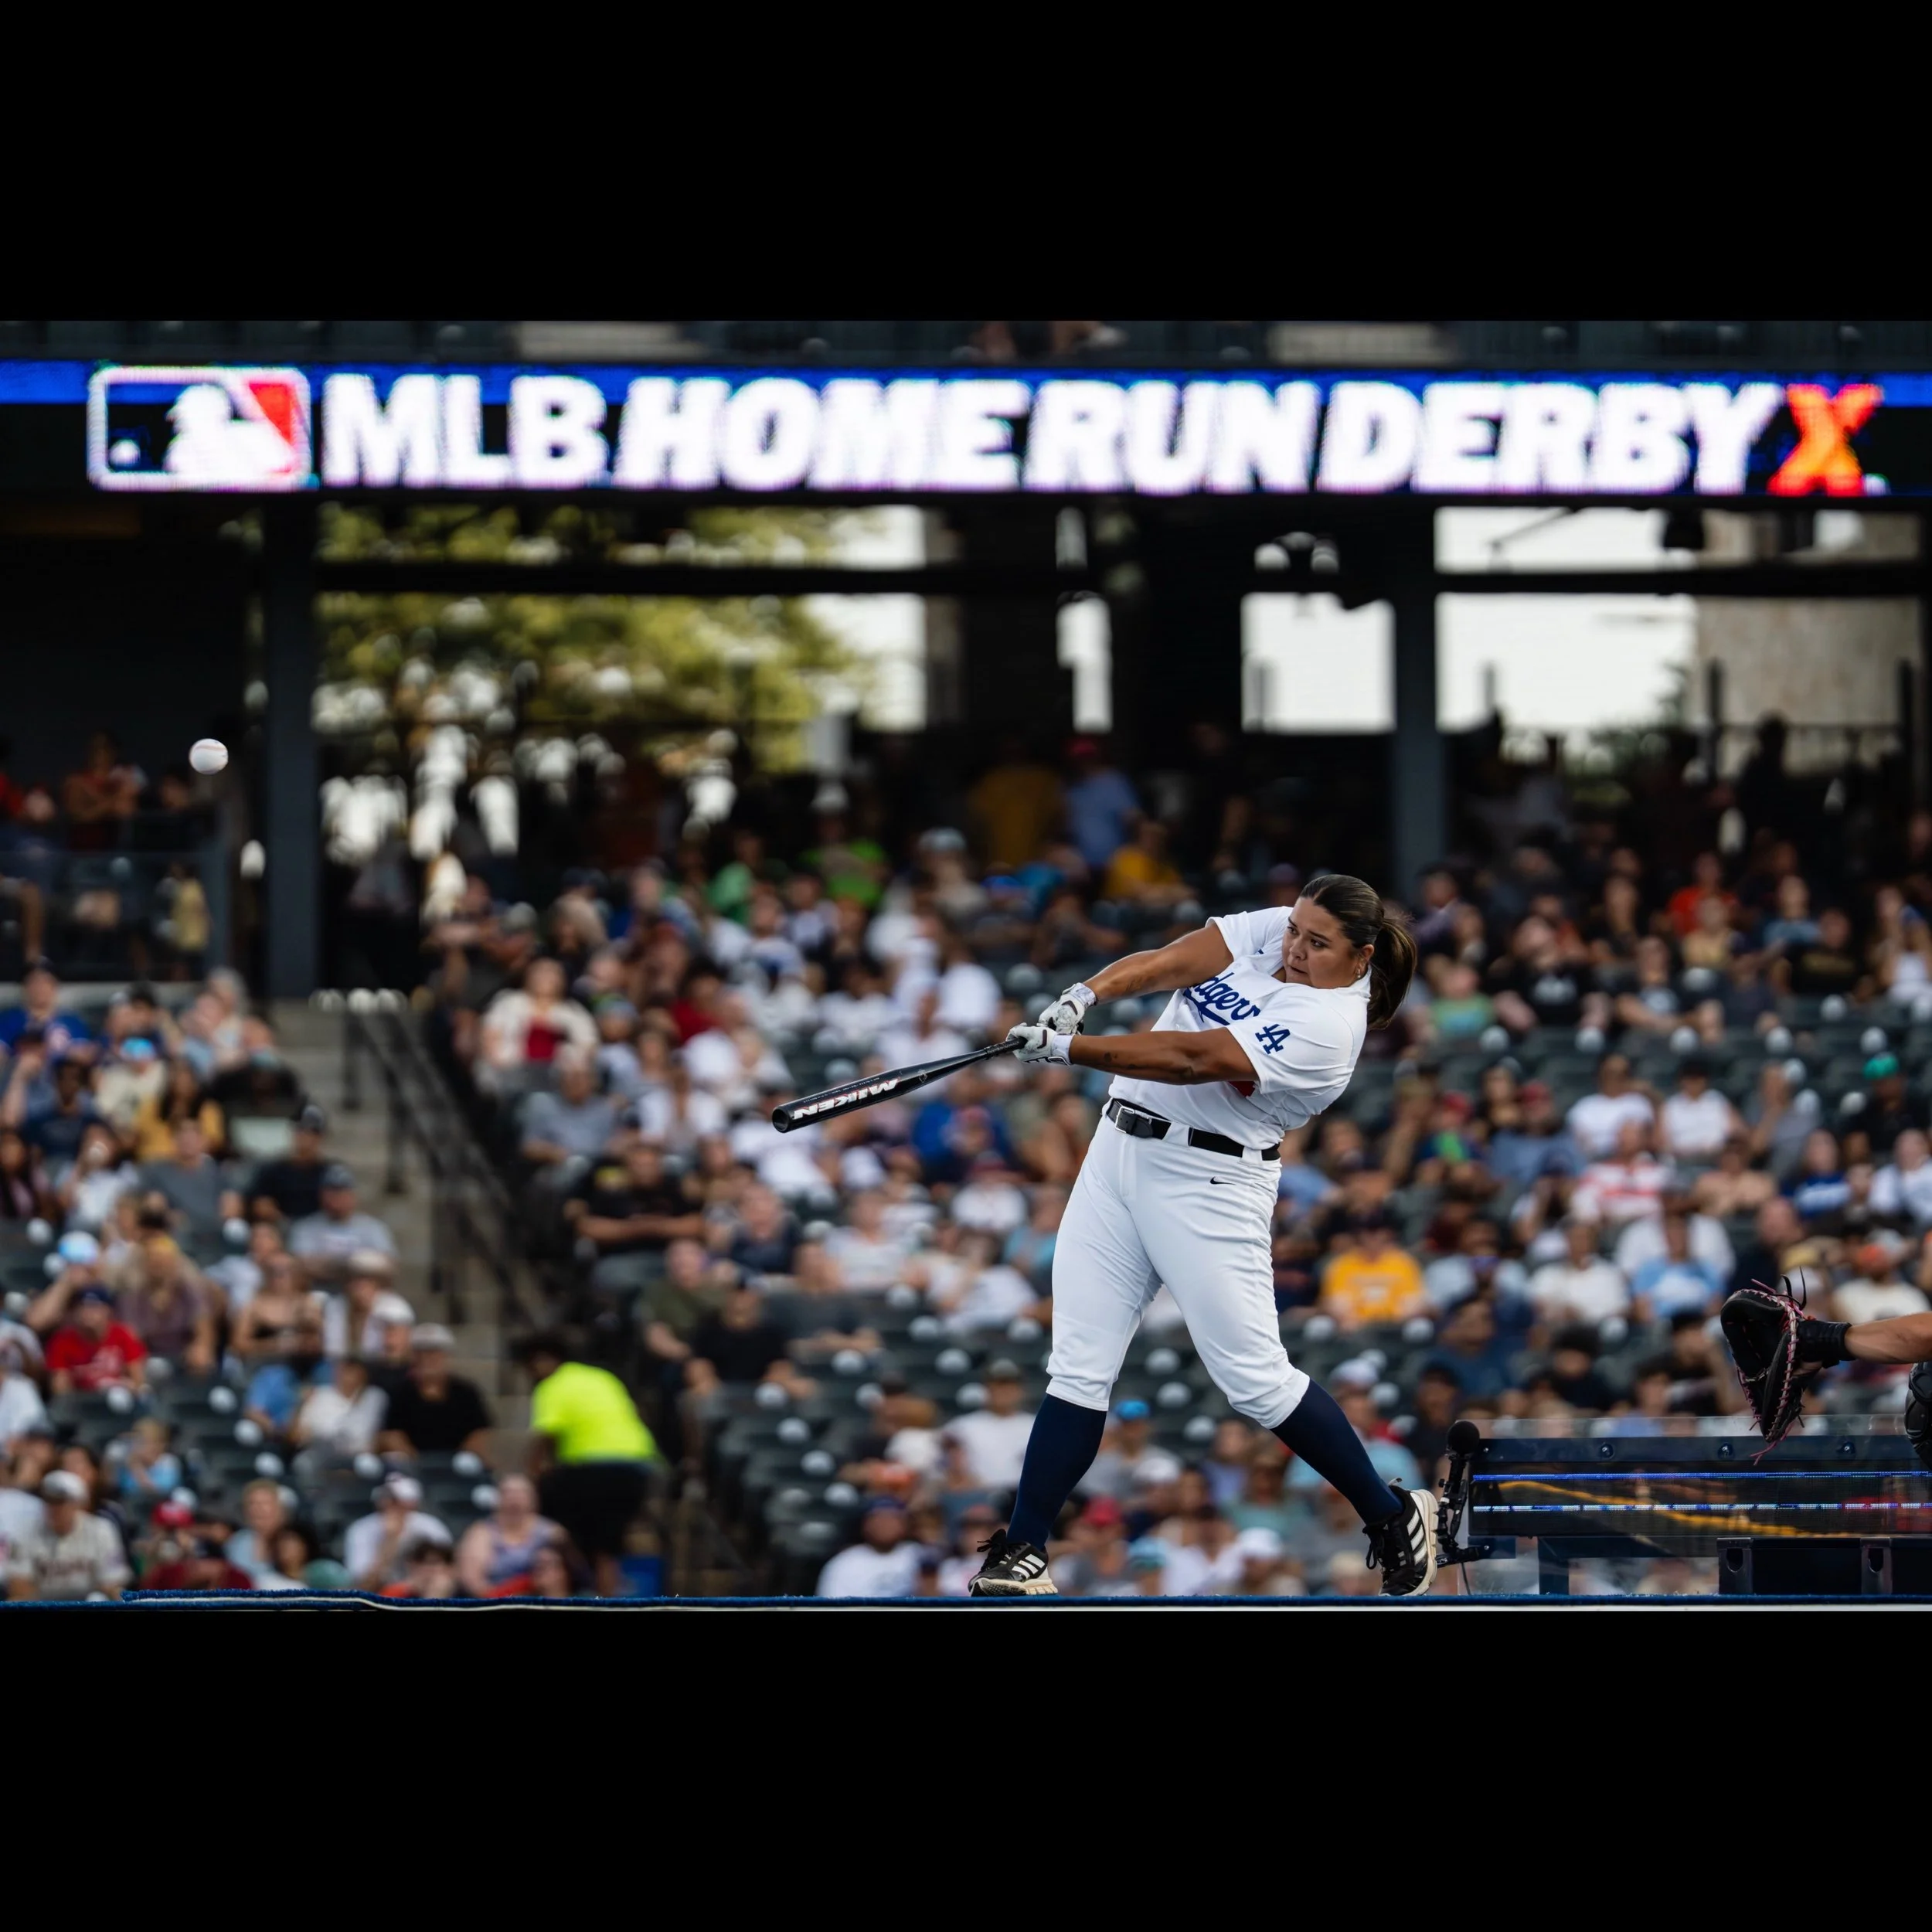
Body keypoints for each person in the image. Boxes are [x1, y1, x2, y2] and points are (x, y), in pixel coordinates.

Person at [969, 876, 1439, 1598]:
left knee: (1254, 1381)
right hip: (1117, 1152)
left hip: (1208, 1183)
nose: (1296, 947)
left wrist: (1071, 1051)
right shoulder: (1290, 924)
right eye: (1295, 932)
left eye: (1318, 944)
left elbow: (1195, 1059)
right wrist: (1086, 994)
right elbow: (1181, 957)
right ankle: (1025, 1549)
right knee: (1079, 1364)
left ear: (1361, 956)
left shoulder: (1330, 1024)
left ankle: (1388, 1514)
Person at [516, 1331, 657, 1598]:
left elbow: (546, 1437)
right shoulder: (602, 1377)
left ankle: (571, 1581)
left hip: (594, 1468)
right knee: (606, 1544)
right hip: (637, 1466)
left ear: (542, 1361)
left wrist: (529, 1476)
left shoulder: (553, 1385)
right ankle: (607, 1592)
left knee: (557, 1526)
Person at [5, 1469, 131, 1600]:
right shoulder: (26, 1531)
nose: (54, 1508)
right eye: (49, 1500)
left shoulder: (101, 1529)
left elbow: (113, 1583)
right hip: (43, 1607)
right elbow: (18, 1586)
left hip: (89, 1606)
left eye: (61, 1502)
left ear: (78, 1504)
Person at [377, 1324, 493, 1460]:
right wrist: (417, 1463)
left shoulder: (466, 1392)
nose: (426, 1359)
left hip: (458, 1469)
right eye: (420, 1353)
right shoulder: (400, 1392)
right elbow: (392, 1435)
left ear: (446, 1356)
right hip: (412, 1468)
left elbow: (479, 1434)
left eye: (433, 1353)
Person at [456, 1474, 560, 1597]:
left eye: (521, 1493)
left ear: (533, 1500)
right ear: (497, 1499)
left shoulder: (551, 1532)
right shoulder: (480, 1533)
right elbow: (472, 1581)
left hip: (543, 1598)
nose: (514, 1499)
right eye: (508, 1493)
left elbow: (571, 1575)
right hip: (496, 1600)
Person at [344, 1474, 451, 1591]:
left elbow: (449, 1568)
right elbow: (364, 1585)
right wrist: (390, 1540)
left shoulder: (429, 1526)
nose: (390, 1505)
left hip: (421, 1590)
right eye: (388, 1499)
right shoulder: (362, 1529)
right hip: (380, 1593)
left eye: (397, 1501)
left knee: (442, 1583)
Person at [816, 1496, 924, 1597]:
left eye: (892, 1519)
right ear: (865, 1525)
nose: (885, 1525)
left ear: (905, 1524)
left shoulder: (921, 1555)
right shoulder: (844, 1562)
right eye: (879, 1519)